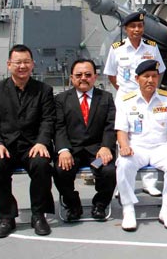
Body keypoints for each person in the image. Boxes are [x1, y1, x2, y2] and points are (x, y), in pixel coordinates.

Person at [0, 44, 55, 238]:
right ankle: (7, 216)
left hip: (32, 144)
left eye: (26, 62)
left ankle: (38, 215)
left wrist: (42, 142)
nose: (22, 66)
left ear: (33, 64)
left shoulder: (44, 90)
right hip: (5, 145)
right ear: (9, 64)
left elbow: (48, 120)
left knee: (42, 165)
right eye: (18, 62)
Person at [114, 60, 167, 231]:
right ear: (137, 78)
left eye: (154, 76)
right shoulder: (126, 100)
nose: (150, 80)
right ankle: (128, 209)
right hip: (136, 147)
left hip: (160, 147)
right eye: (146, 76)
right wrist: (124, 146)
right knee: (123, 163)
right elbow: (121, 129)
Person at [104, 11, 166, 196]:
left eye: (140, 26)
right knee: (123, 138)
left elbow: (159, 70)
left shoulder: (152, 48)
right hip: (125, 98)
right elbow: (111, 74)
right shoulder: (117, 48)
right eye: (133, 26)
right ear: (126, 28)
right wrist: (125, 91)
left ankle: (149, 182)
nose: (136, 30)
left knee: (150, 133)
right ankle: (122, 182)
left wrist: (149, 87)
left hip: (148, 97)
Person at [53, 59, 116, 221]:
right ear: (72, 78)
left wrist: (106, 146)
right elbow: (58, 127)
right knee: (60, 171)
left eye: (88, 75)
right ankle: (73, 204)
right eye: (79, 75)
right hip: (72, 150)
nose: (83, 78)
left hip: (97, 151)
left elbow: (110, 125)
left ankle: (100, 204)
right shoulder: (61, 100)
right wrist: (63, 149)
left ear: (95, 77)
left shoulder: (106, 98)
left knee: (109, 171)